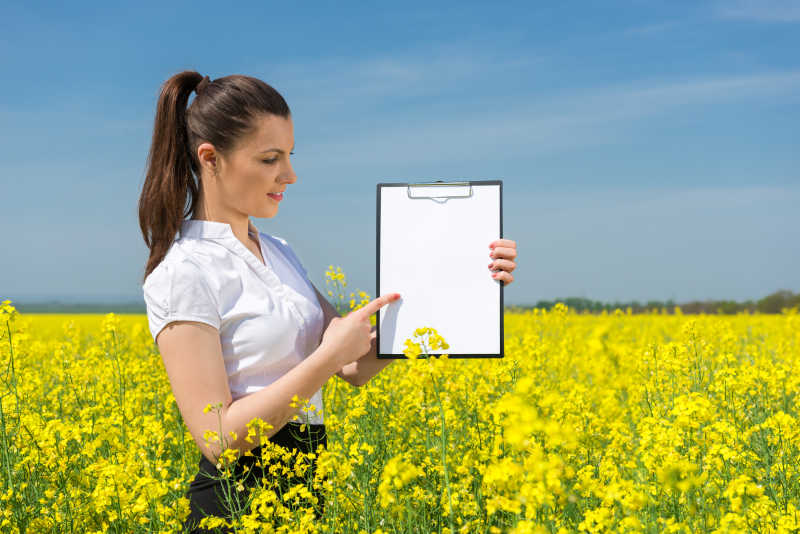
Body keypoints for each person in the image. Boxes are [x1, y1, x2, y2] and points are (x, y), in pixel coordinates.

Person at [137, 70, 518, 532]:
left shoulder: (278, 252)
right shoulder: (185, 271)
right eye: (270, 158)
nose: (289, 176)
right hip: (236, 505)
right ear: (211, 159)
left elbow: (353, 365)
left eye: (290, 156)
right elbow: (217, 437)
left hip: (304, 490)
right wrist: (328, 356)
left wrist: (461, 287)